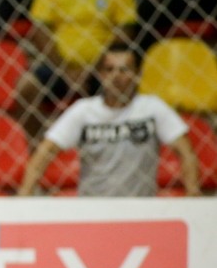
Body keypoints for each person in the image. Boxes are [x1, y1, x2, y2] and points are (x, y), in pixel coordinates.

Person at [18, 43, 200, 197]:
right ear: (101, 74)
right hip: (93, 210)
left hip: (142, 210)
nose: (116, 76)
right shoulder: (84, 110)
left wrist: (193, 195)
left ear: (137, 74)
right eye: (110, 69)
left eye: (124, 69)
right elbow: (45, 152)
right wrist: (24, 196)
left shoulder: (152, 108)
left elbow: (186, 151)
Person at [15, 0, 137, 139]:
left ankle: (112, 143)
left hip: (104, 69)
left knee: (123, 86)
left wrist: (95, 68)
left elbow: (124, 34)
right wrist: (65, 70)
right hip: (59, 66)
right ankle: (35, 143)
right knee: (26, 86)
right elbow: (39, 31)